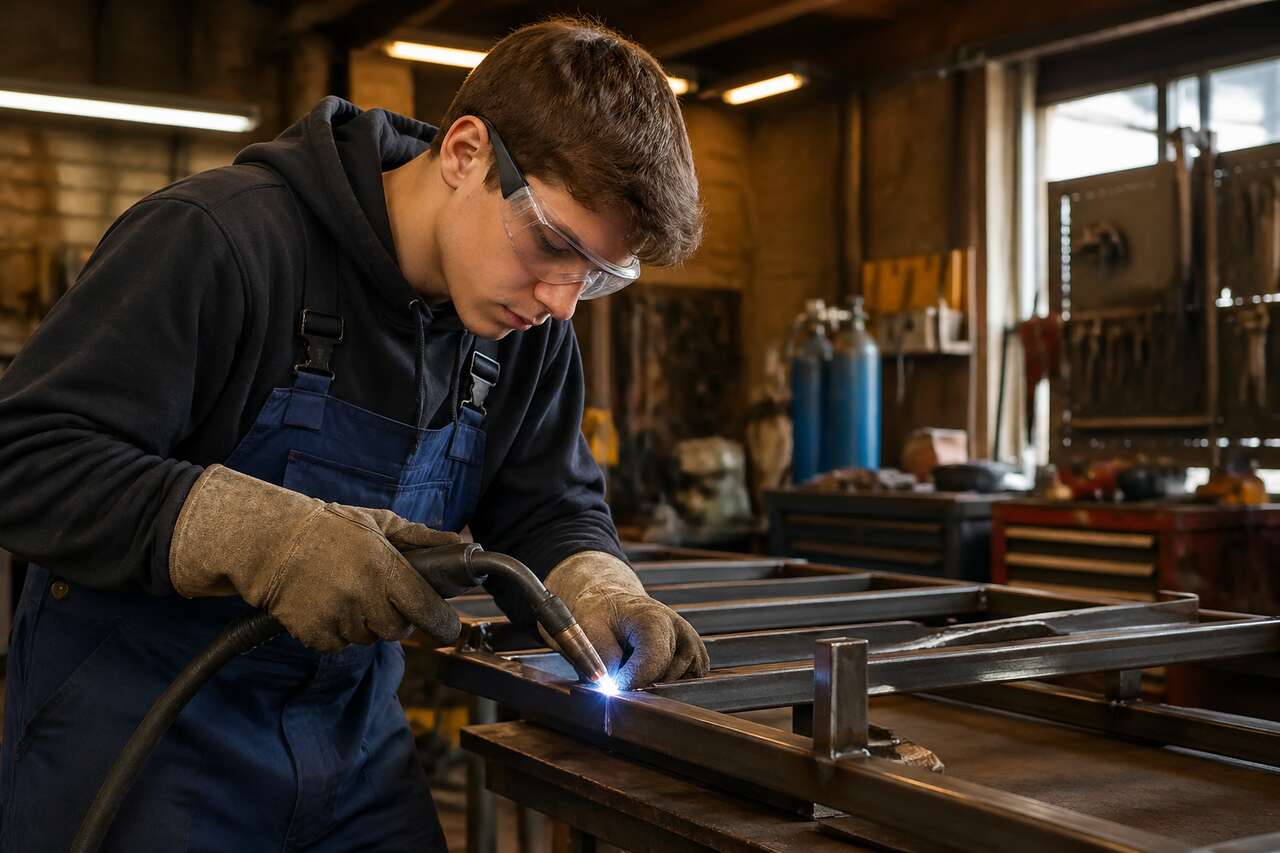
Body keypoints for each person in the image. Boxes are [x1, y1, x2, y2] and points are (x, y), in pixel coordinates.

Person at [0, 17, 708, 852]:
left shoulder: (526, 332)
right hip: (147, 739)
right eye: (553, 244)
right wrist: (261, 535)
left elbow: (548, 501)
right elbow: (27, 453)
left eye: (597, 277)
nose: (561, 300)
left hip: (348, 746)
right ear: (464, 154)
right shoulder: (220, 241)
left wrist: (598, 584)